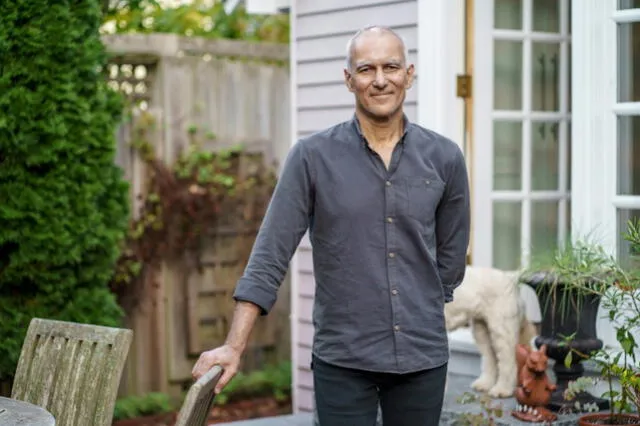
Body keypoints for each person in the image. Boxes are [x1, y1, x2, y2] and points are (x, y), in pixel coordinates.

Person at [192, 25, 471, 426]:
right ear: (349, 79)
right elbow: (271, 253)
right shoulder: (312, 157)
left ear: (409, 74)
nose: (379, 80)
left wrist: (421, 303)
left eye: (390, 67)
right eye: (366, 69)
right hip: (343, 360)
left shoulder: (444, 158)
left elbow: (451, 256)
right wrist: (234, 346)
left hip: (421, 358)